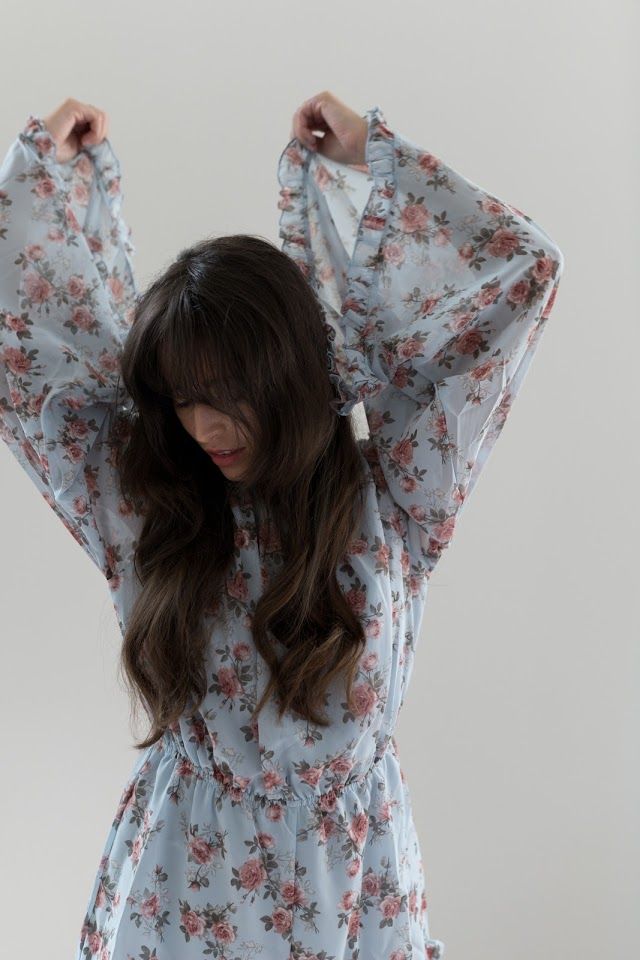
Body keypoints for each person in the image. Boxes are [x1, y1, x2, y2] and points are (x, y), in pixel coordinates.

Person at [0, 92, 564, 959]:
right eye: (184, 400)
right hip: (180, 890)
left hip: (360, 899)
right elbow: (19, 341)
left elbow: (521, 276)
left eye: (229, 397)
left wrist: (370, 154)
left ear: (290, 375)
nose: (205, 430)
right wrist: (39, 172)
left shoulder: (394, 499)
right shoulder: (146, 504)